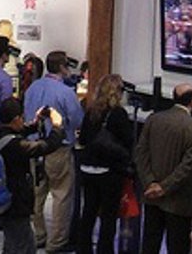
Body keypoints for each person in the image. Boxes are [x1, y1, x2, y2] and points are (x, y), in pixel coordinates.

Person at [21, 50, 84, 251]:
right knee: (61, 195)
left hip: (34, 147)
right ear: (63, 68)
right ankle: (56, 242)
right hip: (58, 149)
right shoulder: (66, 93)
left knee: (37, 194)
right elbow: (77, 120)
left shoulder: (32, 88)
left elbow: (26, 115)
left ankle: (38, 235)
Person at [0, 96, 65, 254]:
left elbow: (19, 130)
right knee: (23, 246)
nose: (23, 121)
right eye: (22, 117)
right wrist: (57, 126)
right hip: (14, 202)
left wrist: (37, 121)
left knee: (12, 243)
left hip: (0, 197)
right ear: (16, 119)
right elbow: (45, 146)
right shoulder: (15, 145)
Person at [133, 83, 192, 254]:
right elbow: (187, 166)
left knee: (149, 245)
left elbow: (140, 154)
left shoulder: (154, 119)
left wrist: (150, 183)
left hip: (151, 195)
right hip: (179, 201)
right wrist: (164, 188)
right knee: (177, 247)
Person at [75, 73, 133, 254]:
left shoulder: (91, 111)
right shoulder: (119, 114)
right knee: (108, 218)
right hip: (109, 172)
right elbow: (128, 142)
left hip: (88, 169)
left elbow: (83, 139)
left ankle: (83, 249)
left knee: (88, 213)